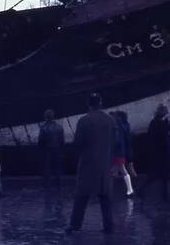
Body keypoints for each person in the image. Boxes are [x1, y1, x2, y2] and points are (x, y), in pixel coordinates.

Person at [66, 93, 114, 235]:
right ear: (101, 103)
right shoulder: (110, 120)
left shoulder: (84, 120)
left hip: (88, 163)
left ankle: (75, 225)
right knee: (105, 196)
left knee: (81, 196)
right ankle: (109, 226)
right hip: (105, 163)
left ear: (89, 104)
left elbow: (78, 144)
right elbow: (115, 142)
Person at [138, 104, 170, 201]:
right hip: (162, 152)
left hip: (155, 152)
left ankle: (143, 189)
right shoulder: (161, 123)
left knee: (156, 174)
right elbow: (164, 138)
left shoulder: (153, 122)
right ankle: (165, 196)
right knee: (163, 175)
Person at [110, 111, 135, 197]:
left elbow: (116, 140)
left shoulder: (115, 127)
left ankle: (129, 189)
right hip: (121, 151)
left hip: (116, 152)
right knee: (117, 169)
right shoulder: (121, 125)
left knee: (119, 169)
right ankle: (129, 189)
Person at [38, 109, 64, 188]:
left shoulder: (43, 128)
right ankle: (58, 185)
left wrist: (40, 150)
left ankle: (47, 186)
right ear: (53, 117)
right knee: (57, 169)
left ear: (45, 117)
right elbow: (62, 141)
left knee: (47, 170)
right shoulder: (59, 127)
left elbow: (41, 141)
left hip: (47, 151)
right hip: (57, 150)